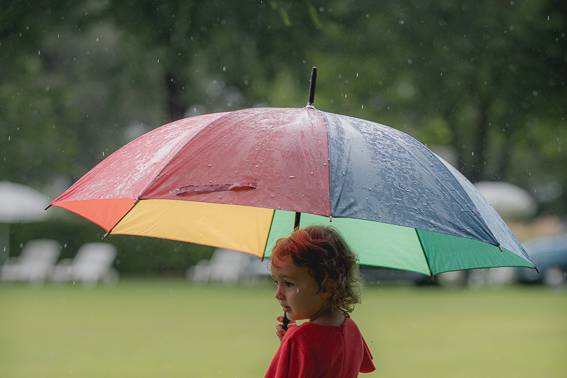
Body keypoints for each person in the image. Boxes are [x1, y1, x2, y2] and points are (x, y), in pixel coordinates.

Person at [265, 226, 376, 378]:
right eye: (276, 282)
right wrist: (290, 349)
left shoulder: (300, 341)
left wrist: (292, 345)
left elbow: (310, 348)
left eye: (289, 283)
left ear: (327, 286)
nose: (278, 294)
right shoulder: (351, 329)